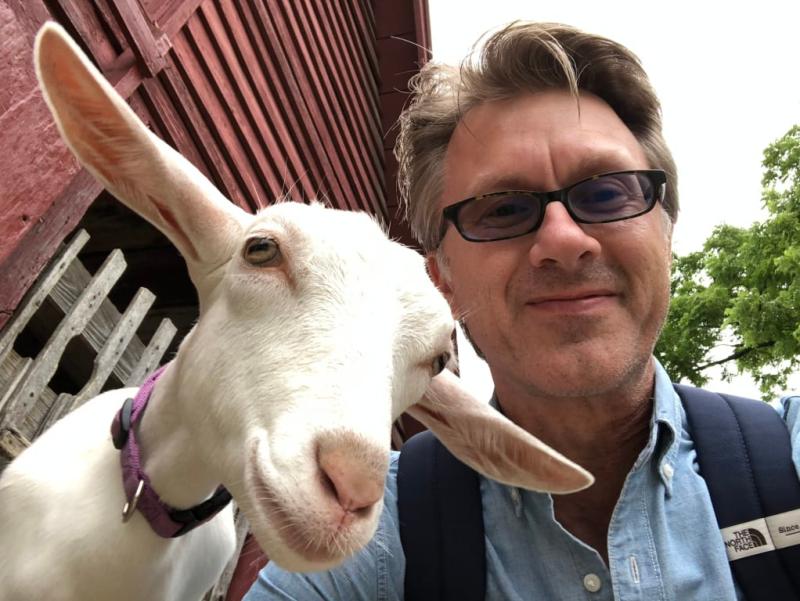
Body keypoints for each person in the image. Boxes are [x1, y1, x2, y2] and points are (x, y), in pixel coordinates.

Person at [245, 21, 800, 600]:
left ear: (665, 235)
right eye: (503, 210)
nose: (564, 240)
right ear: (444, 283)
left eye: (607, 193)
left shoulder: (786, 460)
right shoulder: (374, 540)